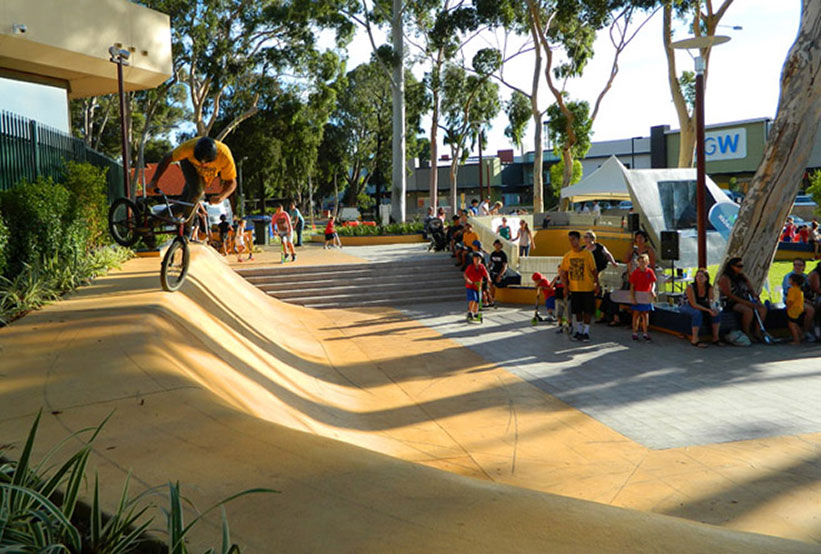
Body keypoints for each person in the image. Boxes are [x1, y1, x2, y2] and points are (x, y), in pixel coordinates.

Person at [149, 136, 237, 223]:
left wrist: (222, 196)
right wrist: (154, 181)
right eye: (199, 161)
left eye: (207, 163)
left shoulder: (225, 156)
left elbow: (231, 182)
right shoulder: (188, 147)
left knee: (183, 205)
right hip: (188, 163)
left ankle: (150, 224)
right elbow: (167, 158)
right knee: (197, 192)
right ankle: (187, 231)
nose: (202, 165)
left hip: (203, 177)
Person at [560, 230, 599, 342]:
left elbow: (594, 271)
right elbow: (564, 272)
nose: (572, 242)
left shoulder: (587, 254)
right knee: (577, 311)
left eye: (574, 239)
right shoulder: (568, 256)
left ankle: (586, 332)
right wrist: (566, 287)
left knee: (587, 311)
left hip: (587, 287)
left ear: (579, 240)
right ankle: (579, 330)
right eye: (570, 240)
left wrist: (597, 284)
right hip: (575, 288)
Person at [717, 257, 769, 343]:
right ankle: (747, 332)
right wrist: (746, 303)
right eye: (738, 266)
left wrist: (754, 296)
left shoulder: (742, 276)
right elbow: (729, 295)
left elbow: (751, 288)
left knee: (762, 308)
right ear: (731, 266)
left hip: (745, 298)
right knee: (748, 311)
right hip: (731, 302)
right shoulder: (725, 278)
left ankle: (758, 331)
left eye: (742, 266)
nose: (741, 268)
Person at [680, 268, 721, 347]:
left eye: (701, 276)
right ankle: (695, 339)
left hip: (702, 305)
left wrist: (713, 309)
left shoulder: (709, 287)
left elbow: (710, 301)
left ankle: (716, 338)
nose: (699, 278)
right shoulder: (690, 287)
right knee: (697, 313)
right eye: (697, 276)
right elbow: (693, 304)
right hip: (686, 305)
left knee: (716, 313)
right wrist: (707, 310)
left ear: (706, 278)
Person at [781, 258, 817, 342]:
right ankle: (805, 332)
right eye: (795, 265)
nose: (797, 267)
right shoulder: (789, 277)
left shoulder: (805, 277)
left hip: (802, 300)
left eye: (799, 265)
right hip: (793, 301)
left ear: (804, 267)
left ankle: (812, 329)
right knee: (810, 310)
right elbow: (790, 294)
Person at [629, 253, 656, 341]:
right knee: (636, 315)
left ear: (647, 263)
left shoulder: (650, 271)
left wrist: (652, 290)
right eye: (640, 262)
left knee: (645, 315)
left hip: (646, 295)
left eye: (643, 262)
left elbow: (653, 282)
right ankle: (634, 332)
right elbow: (632, 286)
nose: (642, 264)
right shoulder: (635, 272)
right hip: (638, 295)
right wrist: (633, 297)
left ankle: (645, 333)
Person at [464, 251, 490, 322]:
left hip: (478, 286)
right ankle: (470, 312)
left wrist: (489, 278)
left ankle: (475, 312)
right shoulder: (470, 267)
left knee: (478, 300)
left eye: (478, 259)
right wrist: (468, 280)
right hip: (471, 286)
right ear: (473, 259)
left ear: (481, 260)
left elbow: (486, 273)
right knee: (473, 299)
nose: (477, 260)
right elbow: (465, 274)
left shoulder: (482, 267)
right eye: (475, 259)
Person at [786, 273, 807, 345]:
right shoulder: (799, 290)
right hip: (799, 308)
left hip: (793, 309)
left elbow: (791, 301)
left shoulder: (792, 290)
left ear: (794, 282)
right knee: (795, 323)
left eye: (790, 280)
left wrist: (787, 307)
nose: (788, 281)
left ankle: (796, 339)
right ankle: (801, 335)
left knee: (791, 324)